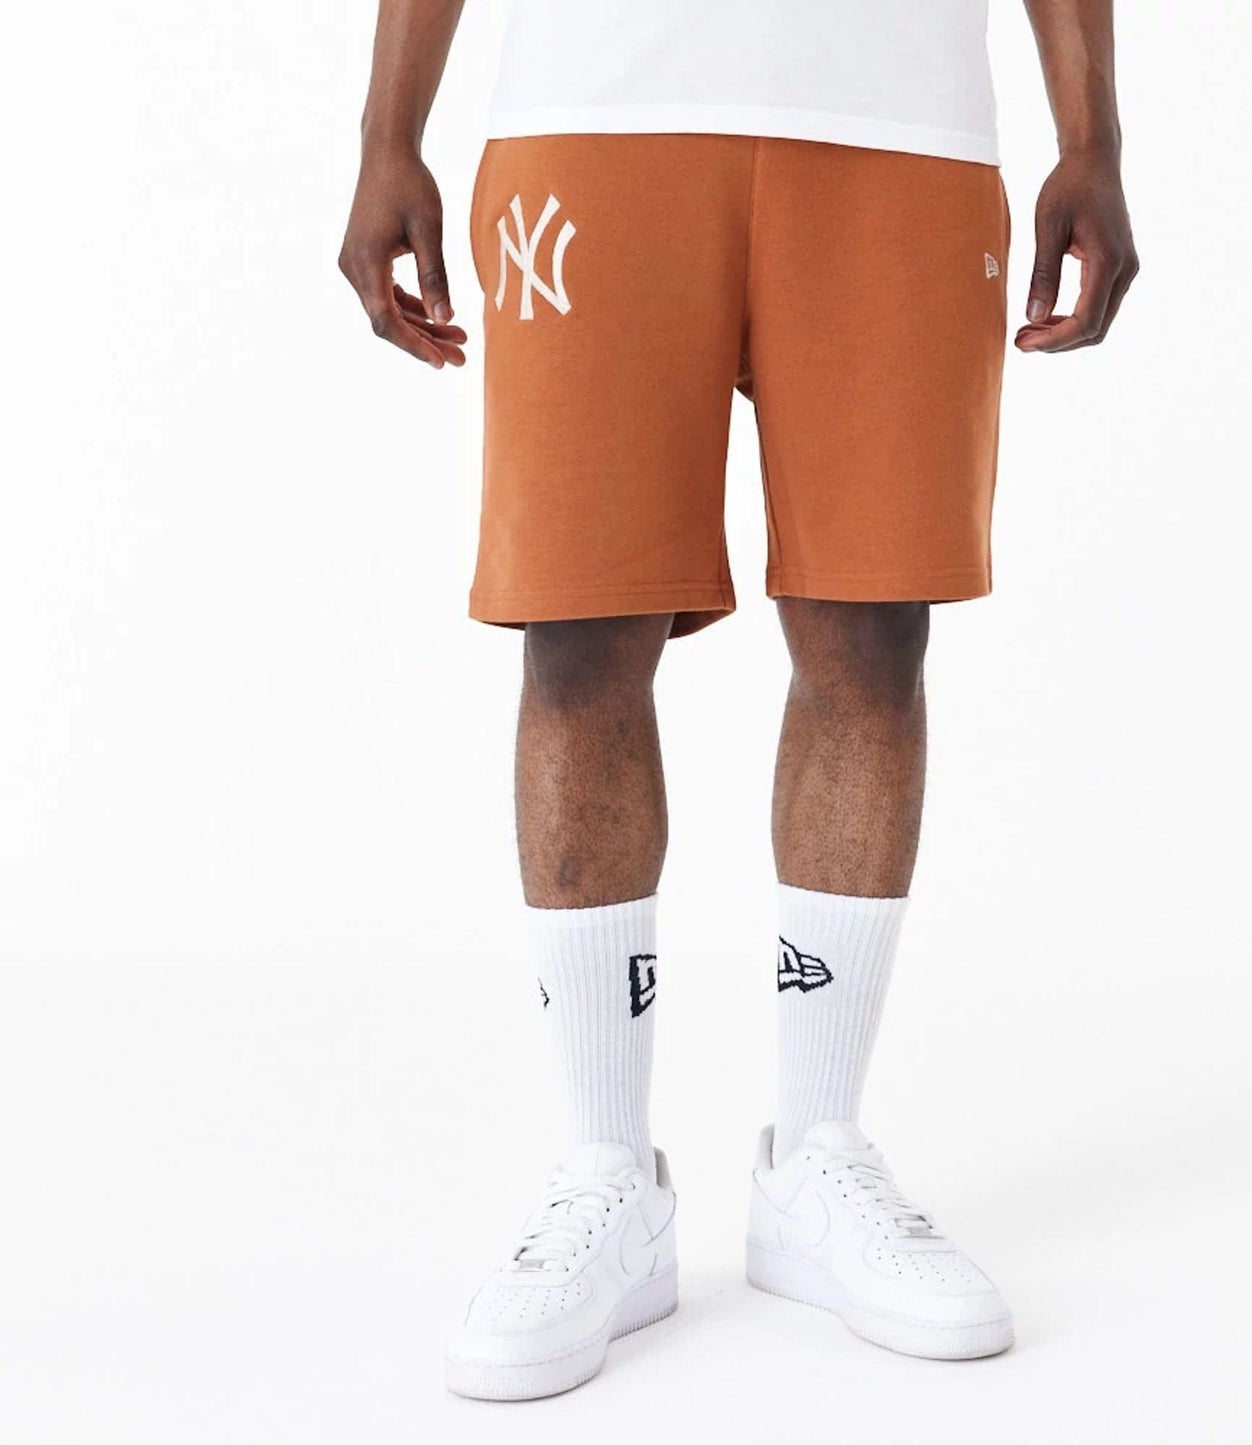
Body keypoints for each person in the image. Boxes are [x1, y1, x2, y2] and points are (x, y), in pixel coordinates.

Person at [340, 0, 1137, 1402]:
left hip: (900, 126)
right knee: (578, 630)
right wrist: (385, 134)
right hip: (592, 112)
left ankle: (815, 1159)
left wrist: (1094, 136)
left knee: (870, 630)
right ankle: (608, 1174)